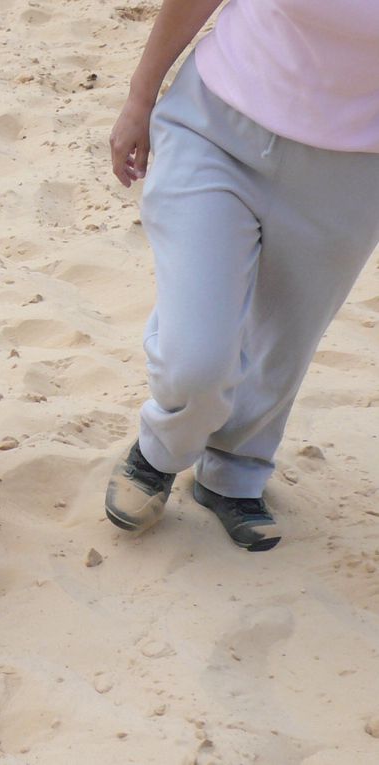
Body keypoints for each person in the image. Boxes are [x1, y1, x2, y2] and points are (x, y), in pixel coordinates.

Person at [104, 0, 379, 551]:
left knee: (283, 347)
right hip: (218, 130)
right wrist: (140, 96)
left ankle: (233, 476)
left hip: (352, 173)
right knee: (198, 356)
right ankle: (158, 453)